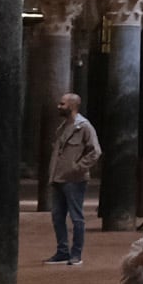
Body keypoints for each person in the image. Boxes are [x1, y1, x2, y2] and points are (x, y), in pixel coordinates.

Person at [46, 93, 100, 265]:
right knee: (57, 216)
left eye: (62, 104)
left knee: (76, 217)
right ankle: (62, 251)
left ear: (73, 106)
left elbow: (95, 152)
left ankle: (76, 254)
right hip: (58, 178)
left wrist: (77, 167)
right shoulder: (62, 127)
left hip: (74, 180)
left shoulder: (84, 127)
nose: (59, 106)